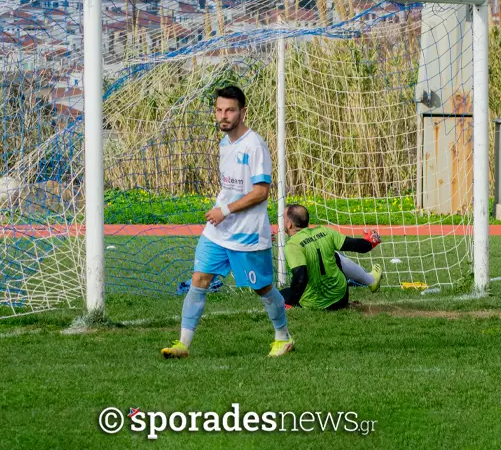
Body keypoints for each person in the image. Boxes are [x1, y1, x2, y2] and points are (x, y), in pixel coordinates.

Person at [161, 85, 293, 359]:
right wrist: (221, 211)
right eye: (220, 110)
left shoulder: (255, 145)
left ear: (242, 112)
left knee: (263, 288)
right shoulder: (224, 143)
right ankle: (182, 345)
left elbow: (261, 192)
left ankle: (283, 337)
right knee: (199, 279)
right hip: (219, 231)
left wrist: (226, 210)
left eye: (230, 110)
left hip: (248, 235)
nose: (224, 115)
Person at [281, 204, 384, 310]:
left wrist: (289, 303)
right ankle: (370, 280)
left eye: (283, 218)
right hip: (340, 298)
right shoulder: (324, 231)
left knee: (279, 295)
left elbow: (300, 278)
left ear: (289, 224)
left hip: (314, 304)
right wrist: (370, 243)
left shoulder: (292, 245)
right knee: (335, 256)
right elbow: (355, 245)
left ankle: (370, 280)